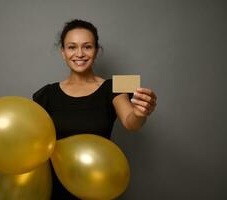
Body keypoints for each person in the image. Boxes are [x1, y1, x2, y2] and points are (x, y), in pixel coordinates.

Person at [32, 19, 157, 200]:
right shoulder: (46, 94)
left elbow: (131, 122)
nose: (80, 54)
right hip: (55, 187)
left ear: (96, 51)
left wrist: (140, 113)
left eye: (87, 47)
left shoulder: (116, 85)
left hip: (99, 186)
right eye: (72, 47)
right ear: (63, 52)